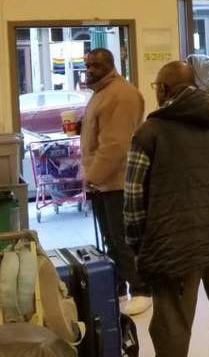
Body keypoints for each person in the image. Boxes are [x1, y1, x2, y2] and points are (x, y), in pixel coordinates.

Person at [124, 61, 209, 357]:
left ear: (163, 89)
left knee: (173, 327)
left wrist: (140, 247)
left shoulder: (149, 132)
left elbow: (133, 199)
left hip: (175, 243)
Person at [79, 48, 150, 315]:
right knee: (110, 239)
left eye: (96, 65)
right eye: (88, 64)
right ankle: (117, 289)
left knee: (122, 240)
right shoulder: (102, 92)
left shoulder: (121, 94)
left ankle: (142, 290)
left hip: (118, 181)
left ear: (110, 66)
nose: (90, 69)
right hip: (103, 182)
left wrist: (92, 176)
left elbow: (115, 145)